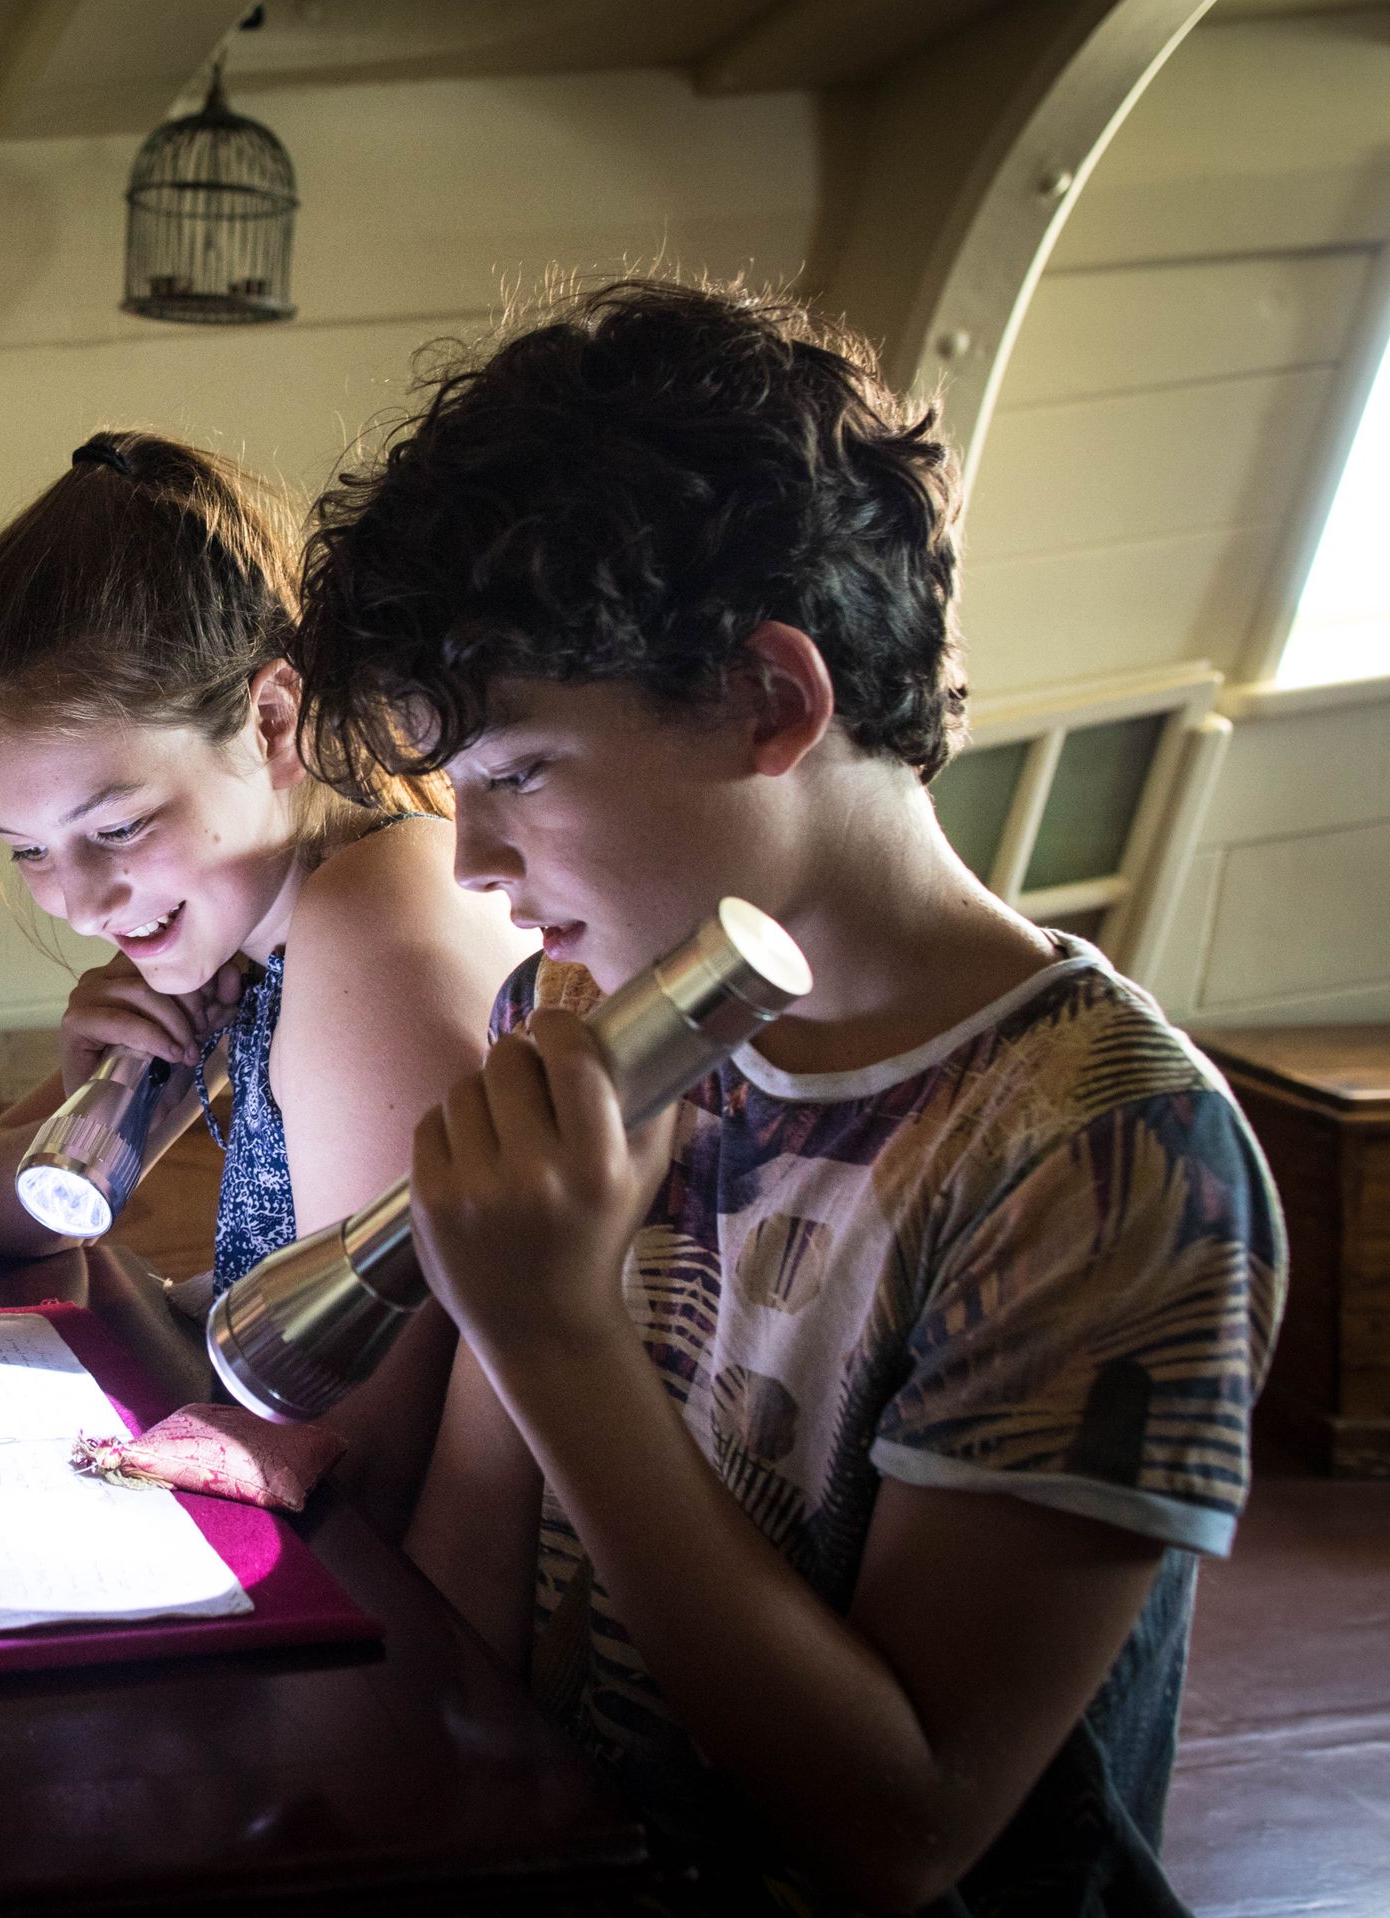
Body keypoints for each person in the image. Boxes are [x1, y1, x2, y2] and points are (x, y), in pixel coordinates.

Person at [288, 278, 1286, 1915]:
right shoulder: (589, 1006)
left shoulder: (1106, 1143)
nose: (469, 860)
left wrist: (556, 1327)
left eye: (517, 774)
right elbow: (476, 1564)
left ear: (773, 698)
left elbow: (903, 1825)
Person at [0, 431, 531, 1317]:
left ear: (272, 723)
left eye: (120, 826)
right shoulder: (256, 937)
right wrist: (111, 1107)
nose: (83, 908)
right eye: (27, 848)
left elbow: (357, 1413)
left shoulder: (370, 918)